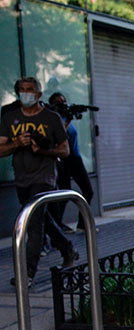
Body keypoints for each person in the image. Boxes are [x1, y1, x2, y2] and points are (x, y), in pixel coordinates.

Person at [0, 77, 78, 286]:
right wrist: (17, 143)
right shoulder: (10, 117)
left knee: (34, 225)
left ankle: (27, 274)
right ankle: (68, 249)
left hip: (44, 177)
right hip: (21, 177)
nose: (26, 93)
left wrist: (42, 149)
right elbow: (1, 149)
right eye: (22, 90)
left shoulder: (51, 119)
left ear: (39, 94)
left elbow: (65, 150)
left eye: (30, 90)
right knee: (41, 219)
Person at [48, 92, 95, 233]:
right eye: (58, 102)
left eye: (63, 101)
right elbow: (59, 136)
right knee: (64, 193)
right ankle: (57, 224)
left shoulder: (66, 117)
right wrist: (67, 120)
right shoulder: (53, 120)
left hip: (74, 157)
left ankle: (82, 223)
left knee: (88, 190)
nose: (62, 104)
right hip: (62, 159)